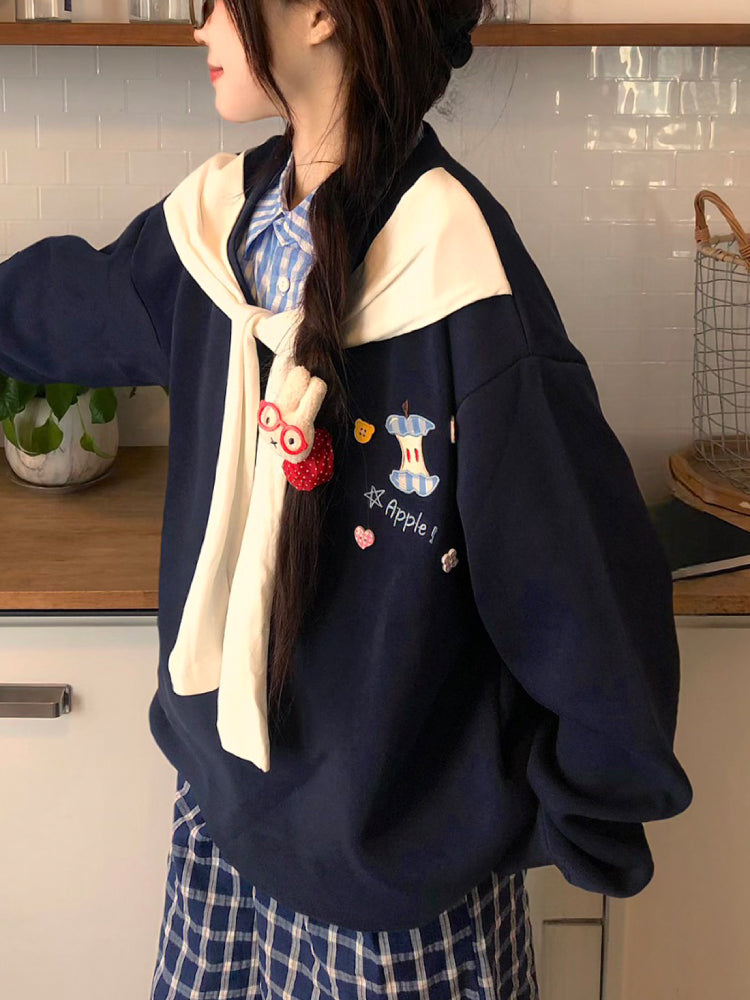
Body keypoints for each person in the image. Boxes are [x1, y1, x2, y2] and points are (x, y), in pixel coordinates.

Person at [0, 0, 693, 997]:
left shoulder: (458, 275)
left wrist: (527, 815)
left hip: (400, 905)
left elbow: (587, 589)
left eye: (215, 3)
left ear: (320, 13)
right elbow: (67, 305)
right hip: (223, 837)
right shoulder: (217, 230)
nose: (197, 24)